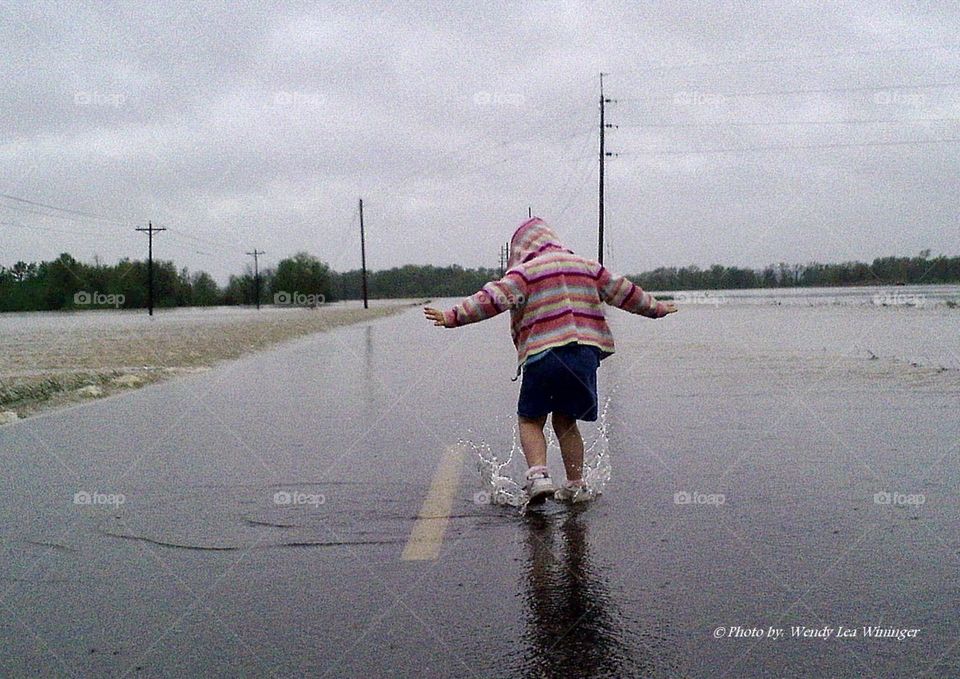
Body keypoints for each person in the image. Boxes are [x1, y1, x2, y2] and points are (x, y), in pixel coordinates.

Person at [424, 217, 677, 504]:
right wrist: (656, 308)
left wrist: (452, 317)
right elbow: (623, 292)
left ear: (520, 249)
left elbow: (491, 298)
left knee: (531, 419)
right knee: (566, 421)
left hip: (544, 355)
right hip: (584, 356)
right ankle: (575, 484)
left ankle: (538, 476)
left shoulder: (525, 272)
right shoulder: (587, 266)